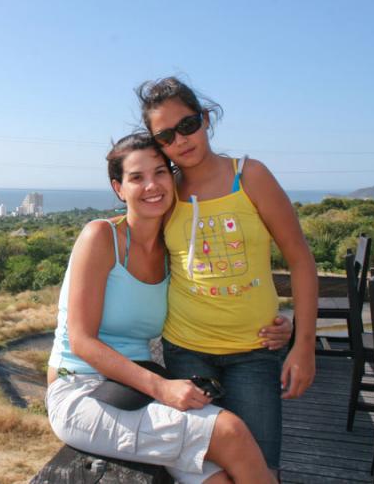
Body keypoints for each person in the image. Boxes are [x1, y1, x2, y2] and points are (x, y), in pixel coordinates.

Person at [47, 132, 278, 484]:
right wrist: (162, 388)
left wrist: (280, 324)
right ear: (118, 188)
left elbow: (222, 292)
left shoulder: (174, 249)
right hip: (81, 389)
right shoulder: (100, 237)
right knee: (230, 431)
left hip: (135, 387)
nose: (152, 185)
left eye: (160, 172)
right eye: (137, 177)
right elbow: (81, 340)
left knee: (218, 479)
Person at [136, 76, 318, 473]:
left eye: (187, 125)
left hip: (254, 353)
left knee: (262, 469)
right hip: (186, 353)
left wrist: (303, 344)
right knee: (207, 470)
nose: (181, 141)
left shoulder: (249, 176)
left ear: (205, 119)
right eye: (166, 136)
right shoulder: (166, 195)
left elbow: (301, 260)